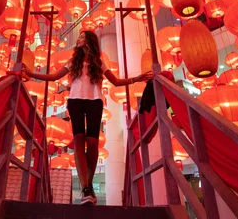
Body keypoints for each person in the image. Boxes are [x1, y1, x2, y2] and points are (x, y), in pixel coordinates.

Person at [22, 30, 151, 205]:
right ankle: (85, 188)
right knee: (78, 142)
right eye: (79, 37)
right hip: (75, 102)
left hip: (95, 102)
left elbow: (116, 82)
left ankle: (88, 185)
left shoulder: (98, 62)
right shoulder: (72, 61)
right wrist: (31, 74)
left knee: (92, 144)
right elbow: (53, 77)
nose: (79, 39)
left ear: (89, 40)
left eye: (82, 37)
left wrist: (137, 78)